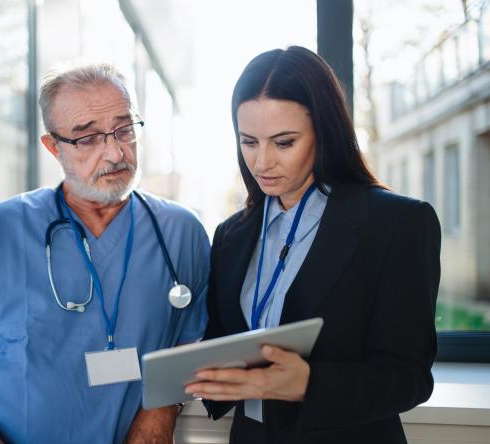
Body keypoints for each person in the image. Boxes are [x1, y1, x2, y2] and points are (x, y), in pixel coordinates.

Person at [0, 62, 210, 444]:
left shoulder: (180, 231)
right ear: (53, 147)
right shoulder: (1, 228)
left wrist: (160, 415)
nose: (114, 152)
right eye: (87, 139)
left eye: (124, 129)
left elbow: (187, 344)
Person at [184, 46, 441, 443]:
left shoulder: (397, 223)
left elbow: (408, 377)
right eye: (248, 141)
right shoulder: (231, 235)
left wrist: (308, 383)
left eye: (283, 142)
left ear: (325, 132)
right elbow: (225, 339)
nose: (262, 162)